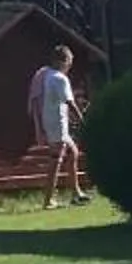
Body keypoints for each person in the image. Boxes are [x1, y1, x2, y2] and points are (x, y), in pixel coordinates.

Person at [27, 44, 91, 207]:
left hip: (50, 121)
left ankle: (76, 193)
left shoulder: (46, 74)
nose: (70, 65)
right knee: (56, 160)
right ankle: (48, 200)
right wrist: (82, 120)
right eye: (69, 61)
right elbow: (70, 102)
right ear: (63, 61)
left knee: (73, 153)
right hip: (57, 124)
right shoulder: (60, 79)